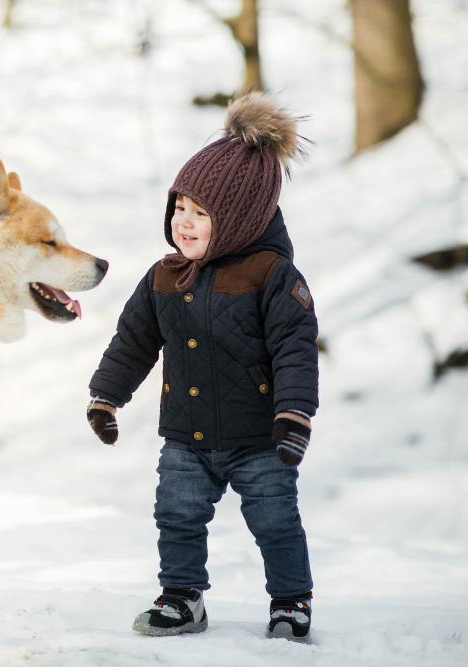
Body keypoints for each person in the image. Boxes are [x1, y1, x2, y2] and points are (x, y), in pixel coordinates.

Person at [86, 92, 318, 643]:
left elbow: (295, 346)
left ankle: (291, 601)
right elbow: (134, 341)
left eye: (201, 213)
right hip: (186, 436)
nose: (183, 223)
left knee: (275, 520)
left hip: (258, 437)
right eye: (179, 208)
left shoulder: (271, 275)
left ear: (237, 220)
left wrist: (294, 414)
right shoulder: (164, 276)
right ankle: (182, 597)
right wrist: (106, 397)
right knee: (177, 515)